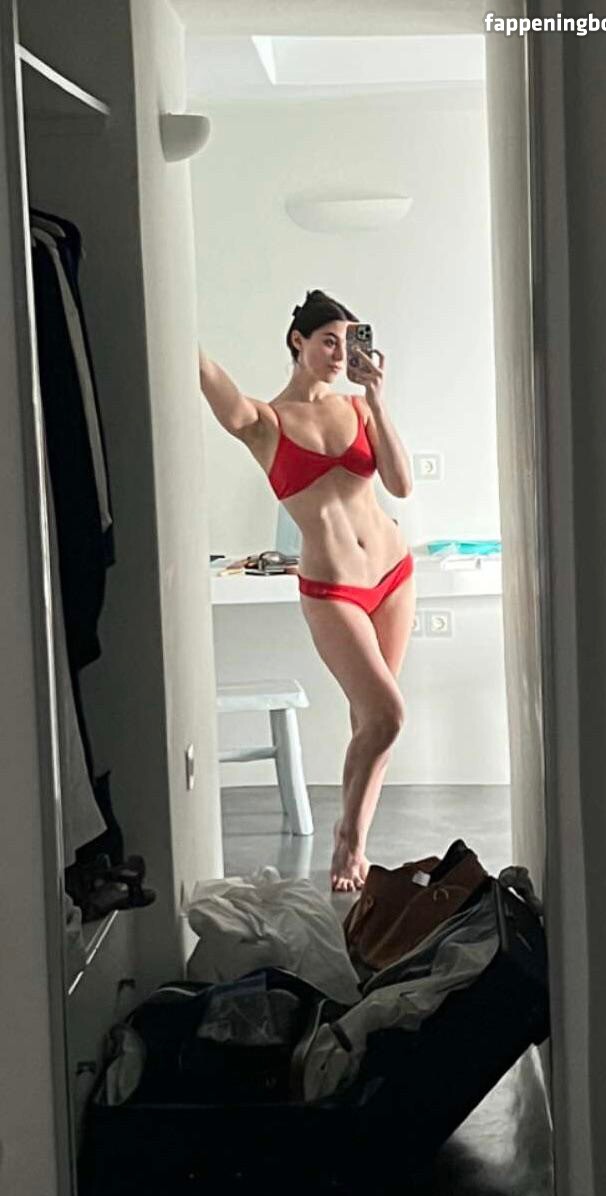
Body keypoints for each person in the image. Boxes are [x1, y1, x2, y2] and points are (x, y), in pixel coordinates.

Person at [199, 290, 414, 891]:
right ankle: (348, 839)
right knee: (388, 716)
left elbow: (400, 485)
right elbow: (220, 391)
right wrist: (181, 340)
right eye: (328, 341)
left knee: (370, 721)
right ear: (298, 341)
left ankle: (356, 837)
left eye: (348, 342)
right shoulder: (266, 423)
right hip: (334, 589)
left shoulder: (360, 408)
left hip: (393, 575)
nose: (341, 354)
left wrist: (378, 399)